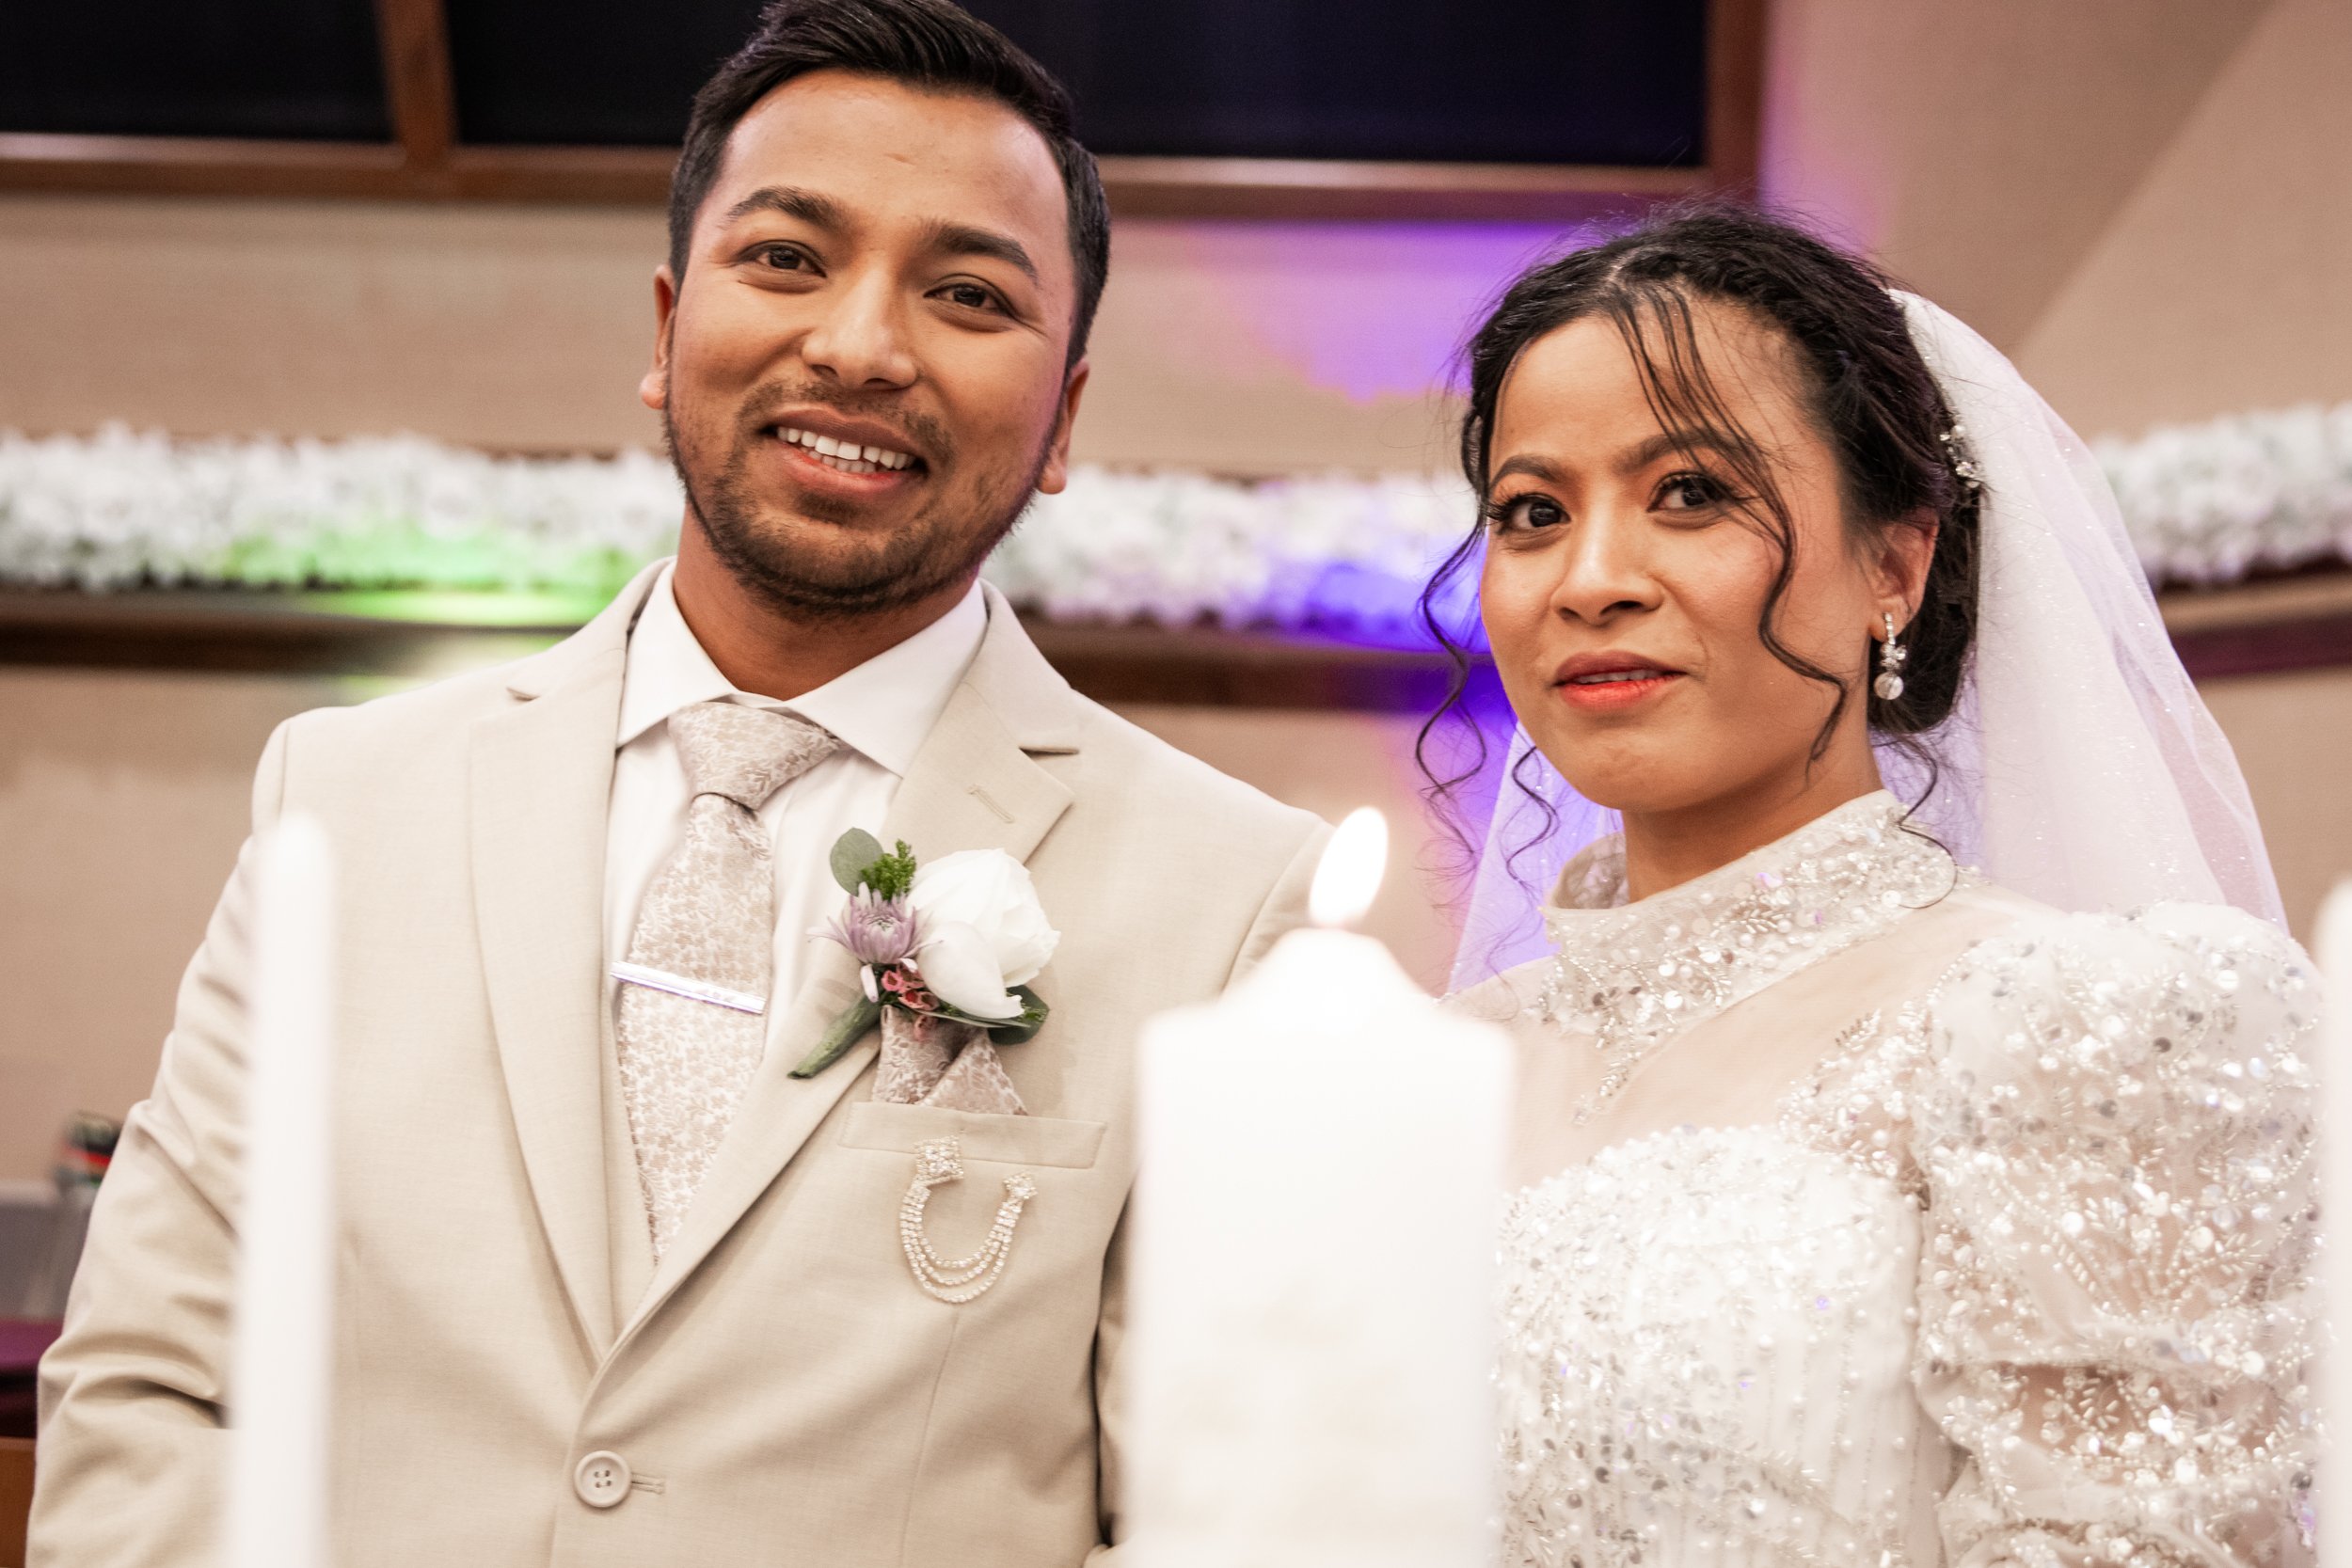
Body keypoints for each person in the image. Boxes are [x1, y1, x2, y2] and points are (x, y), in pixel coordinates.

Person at [29, 3, 1324, 1563]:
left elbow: (1211, 1527)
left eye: (970, 294)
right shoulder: (345, 799)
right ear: (663, 331)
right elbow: (146, 1398)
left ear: (1066, 416)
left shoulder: (1229, 901)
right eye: (787, 257)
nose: (859, 346)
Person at [1434, 207, 2319, 1568]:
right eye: (1533, 513)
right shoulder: (1439, 1064)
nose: (1592, 580)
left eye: (1692, 492)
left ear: (1894, 567)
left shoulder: (2073, 1026)